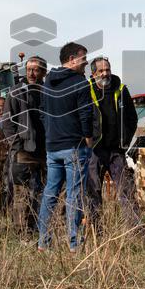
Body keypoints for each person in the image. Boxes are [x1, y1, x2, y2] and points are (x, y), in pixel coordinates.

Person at [37, 42, 94, 251]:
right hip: (74, 146)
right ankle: (74, 243)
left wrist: (52, 133)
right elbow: (85, 114)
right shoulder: (80, 83)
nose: (86, 62)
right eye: (83, 58)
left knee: (50, 193)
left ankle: (43, 241)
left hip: (52, 147)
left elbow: (42, 113)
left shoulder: (47, 83)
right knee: (74, 194)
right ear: (71, 59)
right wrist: (88, 139)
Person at [85, 56, 141, 235]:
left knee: (127, 189)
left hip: (116, 150)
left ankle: (135, 231)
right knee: (93, 191)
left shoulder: (121, 89)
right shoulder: (86, 90)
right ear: (93, 74)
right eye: (101, 71)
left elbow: (132, 118)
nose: (105, 73)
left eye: (107, 69)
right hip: (94, 150)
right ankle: (95, 231)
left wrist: (125, 141)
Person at [2, 56, 47, 236]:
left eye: (36, 69)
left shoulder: (48, 92)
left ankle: (37, 226)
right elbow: (7, 121)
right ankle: (22, 231)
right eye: (28, 69)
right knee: (21, 191)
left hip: (44, 150)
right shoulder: (15, 92)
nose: (31, 73)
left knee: (41, 190)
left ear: (43, 72)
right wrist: (16, 144)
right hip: (22, 150)